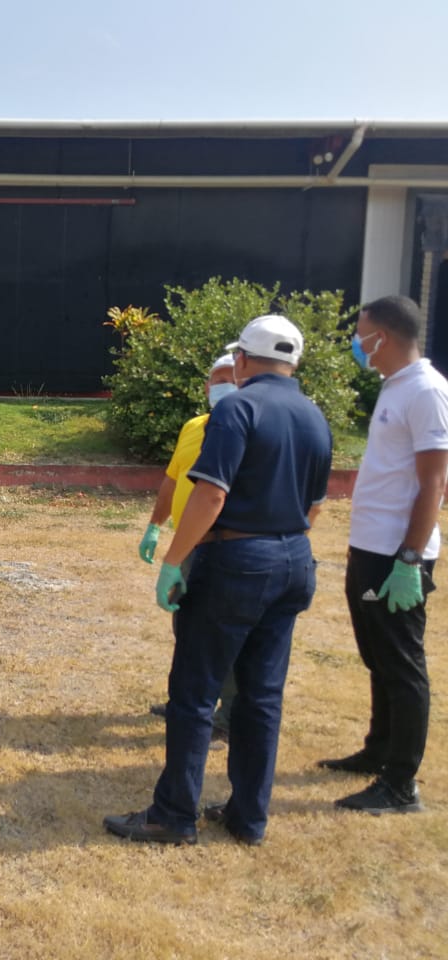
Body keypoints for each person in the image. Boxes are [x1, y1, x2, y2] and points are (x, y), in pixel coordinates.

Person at [105, 314, 332, 845]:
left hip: (236, 561)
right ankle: (248, 816)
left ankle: (173, 815)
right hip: (294, 559)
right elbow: (317, 503)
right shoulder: (314, 415)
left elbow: (210, 495)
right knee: (260, 696)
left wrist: (172, 561)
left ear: (243, 361)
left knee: (194, 693)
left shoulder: (239, 408)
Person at [318, 295, 448, 814]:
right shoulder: (395, 387)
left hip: (397, 557)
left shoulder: (427, 390)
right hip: (370, 549)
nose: (357, 341)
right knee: (377, 655)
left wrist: (410, 559)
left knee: (401, 662)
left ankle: (400, 784)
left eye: (361, 332)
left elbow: (434, 482)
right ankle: (378, 750)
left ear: (385, 337)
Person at [140, 354, 238, 744]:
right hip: (188, 545)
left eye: (230, 379)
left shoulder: (244, 430)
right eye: (217, 380)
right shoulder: (195, 426)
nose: (223, 386)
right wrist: (153, 527)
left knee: (223, 634)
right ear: (206, 387)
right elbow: (172, 479)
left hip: (223, 547)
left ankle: (228, 717)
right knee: (188, 628)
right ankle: (188, 699)